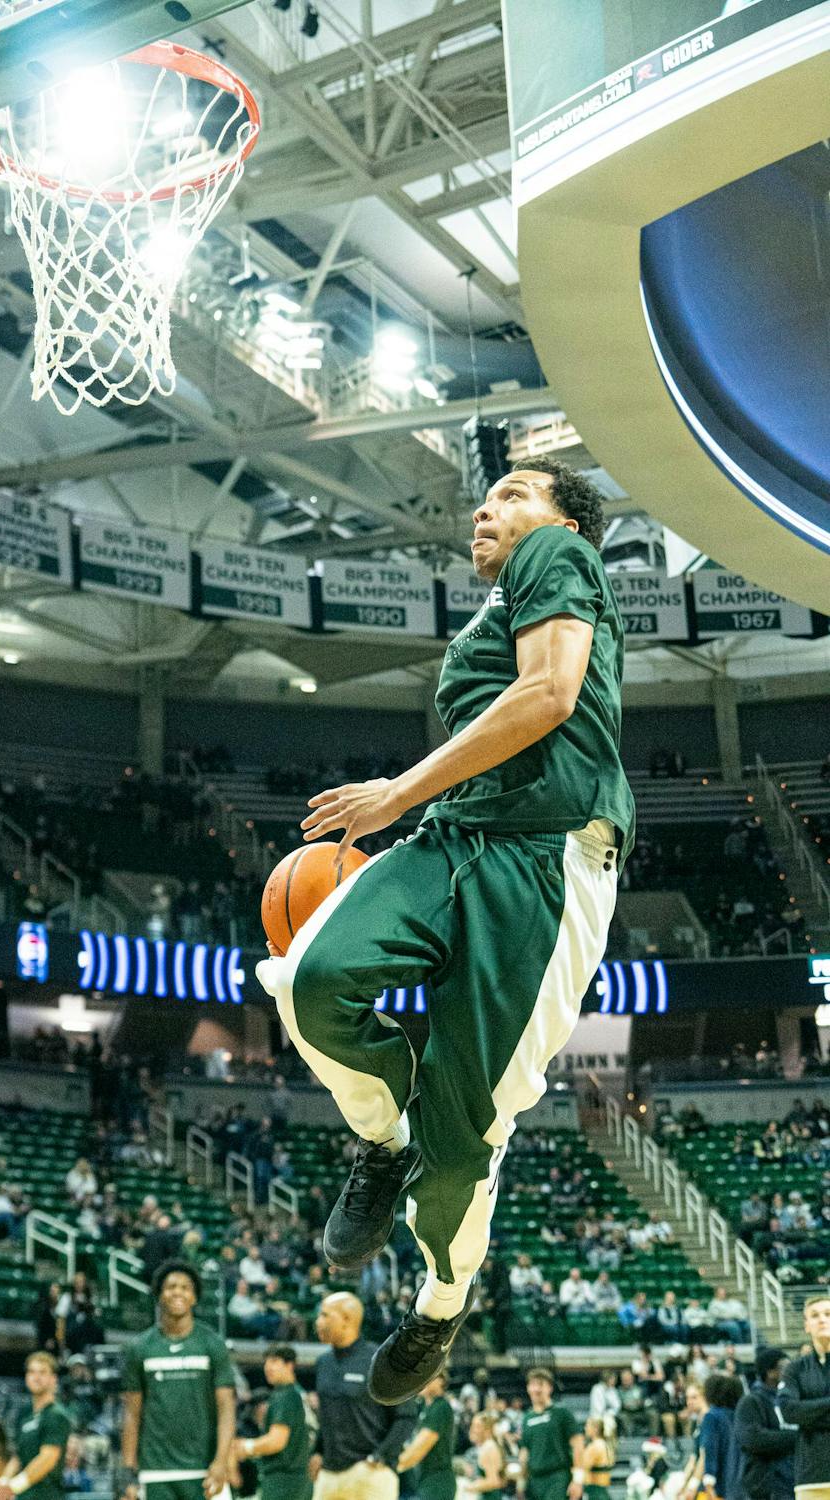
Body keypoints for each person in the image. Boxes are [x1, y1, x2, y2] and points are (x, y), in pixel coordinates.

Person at [256, 460, 631, 1403]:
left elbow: (548, 696)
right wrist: (422, 803)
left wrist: (396, 791)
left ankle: (441, 1301)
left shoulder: (559, 558)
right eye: (489, 494)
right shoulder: (498, 604)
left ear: (567, 525)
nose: (488, 505)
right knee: (310, 979)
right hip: (458, 833)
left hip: (547, 857)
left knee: (468, 1138)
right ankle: (383, 1139)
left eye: (515, 493)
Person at [121, 1260, 236, 1500]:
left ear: (194, 1297)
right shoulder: (139, 1348)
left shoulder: (212, 1344)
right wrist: (128, 1471)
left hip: (204, 1469)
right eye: (171, 1286)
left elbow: (226, 1409)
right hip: (155, 1471)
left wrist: (221, 1461)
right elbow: (132, 1413)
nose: (178, 1292)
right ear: (159, 1295)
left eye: (185, 1288)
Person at [310, 1293, 417, 1500]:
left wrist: (379, 1457)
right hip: (329, 1474)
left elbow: (406, 1416)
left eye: (325, 1315)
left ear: (347, 1320)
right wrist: (318, 1451)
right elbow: (328, 1415)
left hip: (370, 1474)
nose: (318, 1322)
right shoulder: (323, 1363)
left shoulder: (380, 1359)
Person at [0, 1352, 71, 1500]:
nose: (36, 1377)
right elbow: (18, 1457)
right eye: (31, 1372)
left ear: (53, 1379)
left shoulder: (56, 1414)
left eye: (42, 1372)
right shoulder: (24, 1412)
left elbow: (48, 1458)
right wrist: (1, 1483)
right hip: (24, 1495)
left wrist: (12, 1486)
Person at [233, 1345, 311, 1500]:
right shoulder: (291, 1394)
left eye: (275, 1361)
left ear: (290, 1365)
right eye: (266, 1362)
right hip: (292, 1480)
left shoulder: (285, 1396)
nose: (268, 1367)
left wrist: (246, 1447)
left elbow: (276, 1441)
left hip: (284, 1483)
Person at [778, 1295, 830, 1499]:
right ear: (807, 1325)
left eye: (828, 1314)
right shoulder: (795, 1369)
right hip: (811, 1475)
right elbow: (788, 1411)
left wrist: (810, 1415)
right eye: (815, 1315)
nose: (822, 1319)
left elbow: (798, 1411)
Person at [734, 1348, 795, 1500]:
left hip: (793, 1481)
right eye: (785, 1367)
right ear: (770, 1372)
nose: (790, 1372)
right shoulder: (751, 1401)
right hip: (765, 1486)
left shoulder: (793, 1399)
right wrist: (798, 1438)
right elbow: (753, 1439)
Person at [519, 1368, 584, 1500]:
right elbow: (524, 1452)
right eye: (533, 1385)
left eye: (540, 1384)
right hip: (534, 1480)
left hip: (557, 1477)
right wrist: (521, 1482)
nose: (536, 1389)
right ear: (528, 1388)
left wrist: (577, 1480)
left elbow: (578, 1445)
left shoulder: (562, 1413)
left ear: (549, 1388)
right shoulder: (527, 1418)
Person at [396, 1371, 456, 1500]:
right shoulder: (424, 1407)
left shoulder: (440, 1407)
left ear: (440, 1381)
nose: (419, 1382)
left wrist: (390, 1468)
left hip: (437, 1484)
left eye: (426, 1378)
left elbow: (417, 1451)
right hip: (424, 1482)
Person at [580, 1419, 613, 1500]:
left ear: (596, 1429)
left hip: (595, 1491)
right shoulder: (604, 1444)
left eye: (587, 1426)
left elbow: (583, 1467)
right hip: (601, 1490)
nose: (585, 1428)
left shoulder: (595, 1446)